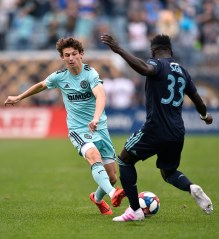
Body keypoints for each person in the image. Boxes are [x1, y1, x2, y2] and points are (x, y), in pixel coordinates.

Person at [4, 36, 125, 215]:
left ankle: (98, 198)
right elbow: (41, 85)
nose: (70, 58)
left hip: (99, 126)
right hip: (78, 129)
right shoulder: (59, 77)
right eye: (66, 55)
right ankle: (114, 193)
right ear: (62, 57)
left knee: (112, 176)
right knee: (93, 156)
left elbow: (101, 96)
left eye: (74, 54)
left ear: (81, 54)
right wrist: (19, 97)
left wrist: (96, 118)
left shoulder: (91, 74)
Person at [100, 33, 213, 222]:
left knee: (124, 160)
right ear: (171, 51)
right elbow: (199, 102)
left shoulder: (157, 64)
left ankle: (135, 211)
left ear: (153, 52)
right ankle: (191, 187)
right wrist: (205, 116)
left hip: (155, 128)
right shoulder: (183, 72)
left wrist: (119, 49)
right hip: (177, 131)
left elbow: (145, 69)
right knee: (168, 172)